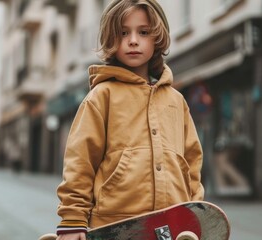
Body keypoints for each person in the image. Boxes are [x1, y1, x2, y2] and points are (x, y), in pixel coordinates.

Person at [55, 1, 204, 239]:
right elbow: (80, 162)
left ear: (157, 37)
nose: (133, 40)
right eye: (123, 33)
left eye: (143, 32)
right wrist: (72, 220)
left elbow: (192, 161)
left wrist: (196, 211)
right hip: (116, 226)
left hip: (172, 223)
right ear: (110, 39)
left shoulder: (177, 101)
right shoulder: (101, 97)